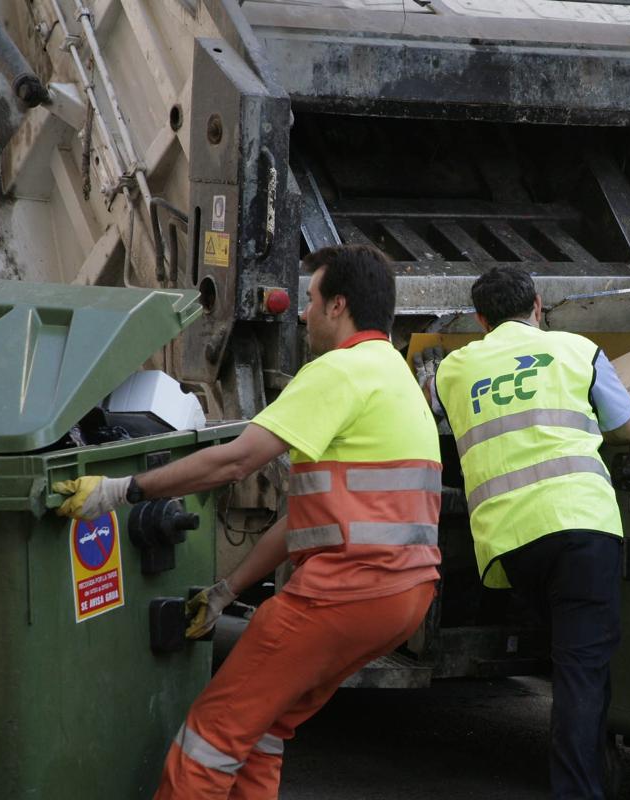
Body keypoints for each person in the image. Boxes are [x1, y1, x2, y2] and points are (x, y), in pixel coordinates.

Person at [55, 245, 443, 799]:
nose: (301, 313)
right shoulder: (396, 377)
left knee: (211, 736)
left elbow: (237, 460)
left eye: (310, 300)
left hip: (342, 593)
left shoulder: (339, 371)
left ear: (338, 306)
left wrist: (123, 489)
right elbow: (302, 521)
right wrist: (226, 590)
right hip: (403, 598)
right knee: (264, 727)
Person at [421, 265, 630, 800]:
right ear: (538, 306)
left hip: (510, 544)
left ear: (481, 319)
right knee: (580, 669)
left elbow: (425, 402)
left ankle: (593, 774)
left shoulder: (455, 369)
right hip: (584, 529)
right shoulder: (576, 351)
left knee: (575, 663)